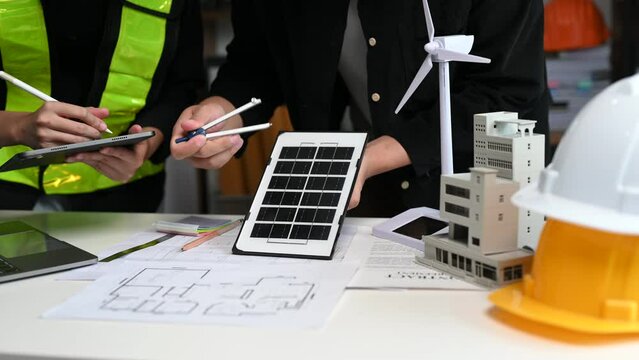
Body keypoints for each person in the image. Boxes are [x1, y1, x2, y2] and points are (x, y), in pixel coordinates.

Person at [171, 0, 549, 217]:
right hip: (366, 188)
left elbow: (508, 95)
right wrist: (220, 112)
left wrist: (366, 159)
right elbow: (257, 63)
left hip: (483, 192)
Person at [0, 0, 204, 212]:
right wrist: (17, 127)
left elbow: (182, 86)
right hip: (9, 192)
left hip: (125, 199)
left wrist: (146, 143)